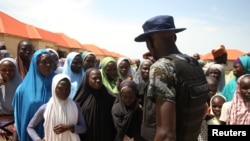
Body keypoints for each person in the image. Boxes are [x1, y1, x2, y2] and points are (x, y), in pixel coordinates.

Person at [134, 15, 209, 141]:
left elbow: (166, 135)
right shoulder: (194, 64)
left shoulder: (162, 67)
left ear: (148, 44)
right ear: (174, 37)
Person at [27, 74, 87, 141]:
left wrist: (70, 127)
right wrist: (37, 139)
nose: (64, 92)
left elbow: (83, 128)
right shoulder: (45, 108)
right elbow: (30, 127)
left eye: (67, 88)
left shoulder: (75, 106)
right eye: (60, 89)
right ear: (54, 88)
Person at [12, 49, 55, 141]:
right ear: (36, 64)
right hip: (29, 136)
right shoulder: (22, 90)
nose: (48, 65)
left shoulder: (58, 86)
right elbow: (18, 116)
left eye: (50, 62)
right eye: (44, 62)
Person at [73, 68, 116, 141]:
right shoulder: (81, 98)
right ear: (87, 79)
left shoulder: (109, 96)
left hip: (105, 135)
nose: (98, 80)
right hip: (87, 135)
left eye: (99, 78)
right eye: (94, 78)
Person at [0, 58, 22, 138]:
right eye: (3, 70)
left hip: (17, 126)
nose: (7, 73)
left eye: (11, 70)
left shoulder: (22, 87)